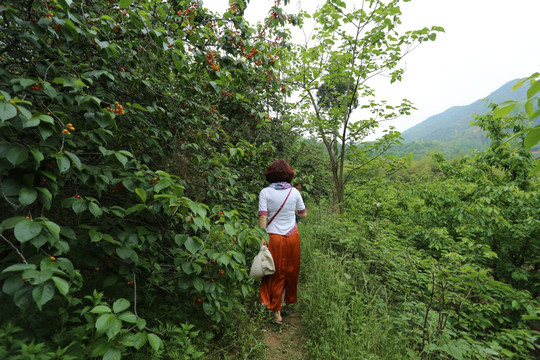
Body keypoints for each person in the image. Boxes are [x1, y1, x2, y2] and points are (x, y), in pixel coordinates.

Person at [258, 160, 307, 324]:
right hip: (292, 237)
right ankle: (287, 300)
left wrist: (262, 237)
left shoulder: (265, 192)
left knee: (274, 273)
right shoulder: (294, 192)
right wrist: (291, 209)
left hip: (274, 237)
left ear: (270, 174)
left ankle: (276, 312)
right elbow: (303, 214)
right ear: (289, 175)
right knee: (291, 270)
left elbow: (263, 216)